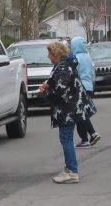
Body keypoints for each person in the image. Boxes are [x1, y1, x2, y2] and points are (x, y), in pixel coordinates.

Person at [39, 40, 95, 184]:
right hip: (71, 108)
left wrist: (45, 93)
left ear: (56, 54)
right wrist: (49, 84)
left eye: (49, 53)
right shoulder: (65, 65)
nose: (48, 56)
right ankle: (69, 168)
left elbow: (60, 90)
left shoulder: (64, 67)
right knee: (66, 138)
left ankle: (72, 171)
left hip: (68, 109)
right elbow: (58, 83)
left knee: (66, 139)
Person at [70, 36, 101, 148]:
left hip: (79, 87)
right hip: (89, 86)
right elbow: (92, 72)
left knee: (79, 114)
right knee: (83, 113)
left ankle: (85, 139)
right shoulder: (88, 57)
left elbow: (73, 74)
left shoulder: (75, 58)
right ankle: (92, 134)